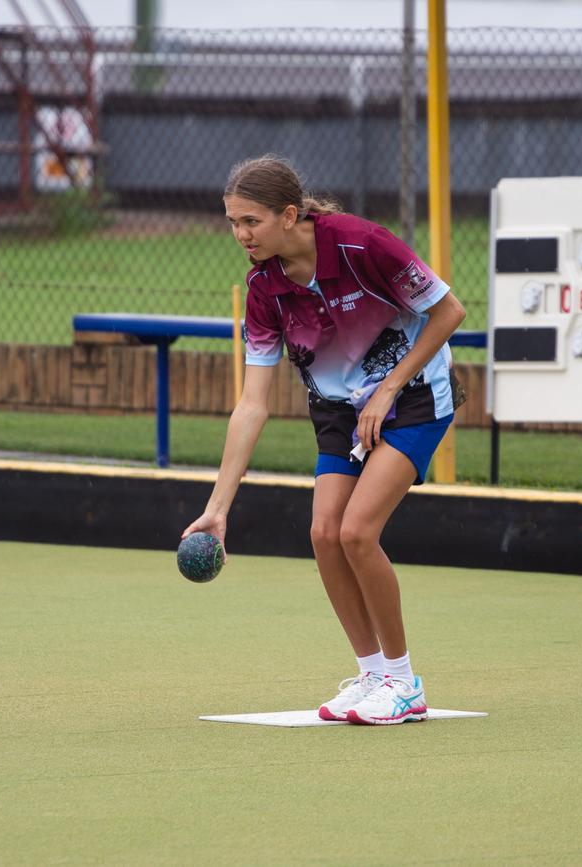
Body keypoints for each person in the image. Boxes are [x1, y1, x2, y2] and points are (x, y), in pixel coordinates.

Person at [182, 154, 466, 726]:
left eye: (252, 222)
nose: (241, 235)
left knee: (357, 531)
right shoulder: (263, 290)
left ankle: (404, 683)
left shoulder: (364, 246)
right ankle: (372, 676)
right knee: (324, 534)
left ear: (289, 215)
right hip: (337, 410)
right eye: (233, 222)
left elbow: (448, 312)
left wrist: (390, 387)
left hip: (412, 399)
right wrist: (216, 510)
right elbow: (252, 404)